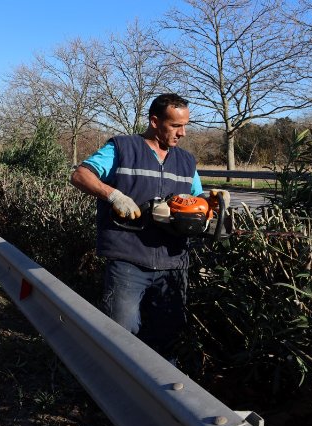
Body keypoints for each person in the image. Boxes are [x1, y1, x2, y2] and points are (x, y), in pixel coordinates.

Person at [70, 93, 228, 360]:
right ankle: (113, 395)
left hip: (173, 263)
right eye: (176, 126)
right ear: (155, 122)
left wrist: (210, 202)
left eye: (185, 125)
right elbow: (80, 175)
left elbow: (196, 198)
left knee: (168, 339)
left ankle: (160, 398)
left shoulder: (187, 161)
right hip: (129, 260)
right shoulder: (123, 148)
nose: (184, 133)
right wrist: (113, 195)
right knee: (121, 335)